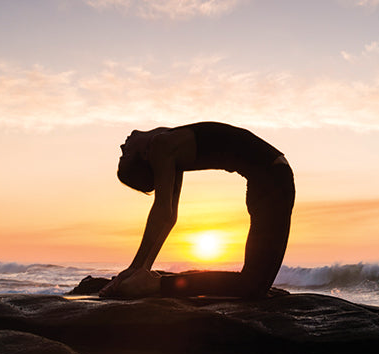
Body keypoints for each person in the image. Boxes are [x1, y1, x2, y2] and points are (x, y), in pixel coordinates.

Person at [99, 122, 294, 299]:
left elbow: (166, 215)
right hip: (272, 179)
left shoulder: (164, 141)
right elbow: (166, 214)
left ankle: (154, 283)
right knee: (252, 287)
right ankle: (157, 284)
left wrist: (138, 267)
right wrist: (139, 268)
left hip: (270, 179)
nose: (122, 146)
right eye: (124, 156)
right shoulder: (161, 146)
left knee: (252, 286)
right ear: (144, 156)